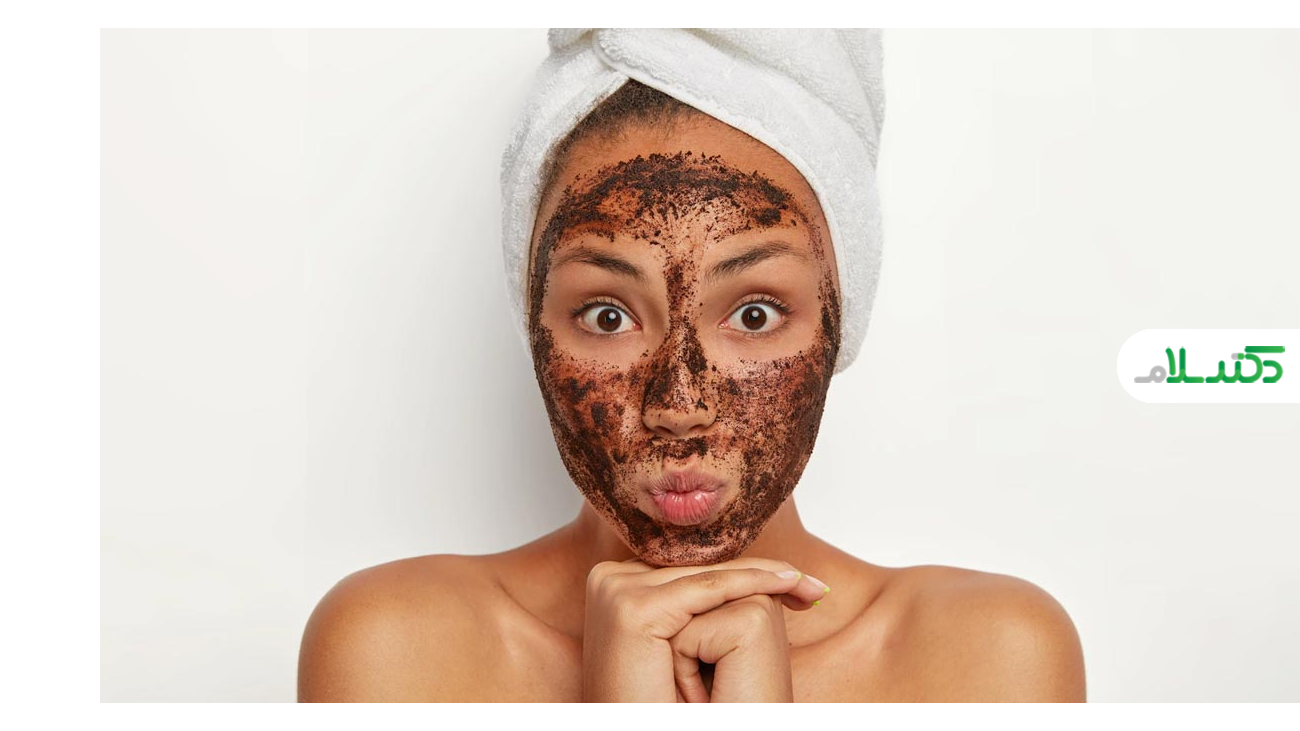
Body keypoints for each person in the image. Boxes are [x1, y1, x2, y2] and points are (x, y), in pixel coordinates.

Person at [298, 43, 1086, 703]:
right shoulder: (400, 651)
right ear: (532, 318)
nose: (680, 404)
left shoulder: (987, 660)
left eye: (754, 313)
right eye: (608, 315)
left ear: (841, 315)